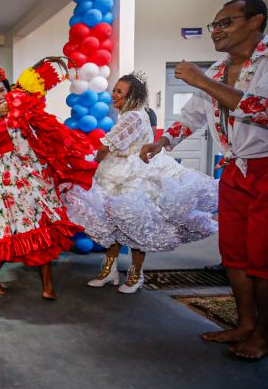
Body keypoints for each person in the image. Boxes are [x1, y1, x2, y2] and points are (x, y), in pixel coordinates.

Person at [140, 0, 268, 360]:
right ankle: (243, 323)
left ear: (256, 21)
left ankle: (263, 335)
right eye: (214, 25)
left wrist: (200, 80)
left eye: (225, 22)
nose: (216, 31)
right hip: (234, 168)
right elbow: (192, 115)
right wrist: (162, 140)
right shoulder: (221, 69)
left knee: (266, 257)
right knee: (235, 254)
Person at [65, 73, 219, 293]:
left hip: (133, 173)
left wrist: (91, 163)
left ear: (132, 96)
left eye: (119, 91)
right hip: (116, 171)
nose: (113, 95)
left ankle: (135, 276)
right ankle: (109, 271)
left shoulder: (133, 117)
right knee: (113, 223)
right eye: (114, 90)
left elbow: (107, 145)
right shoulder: (132, 115)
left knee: (136, 223)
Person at [0, 62, 96, 298]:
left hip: (33, 172)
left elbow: (42, 129)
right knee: (6, 229)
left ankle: (48, 287)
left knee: (42, 224)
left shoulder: (22, 106)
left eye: (1, 90)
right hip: (7, 179)